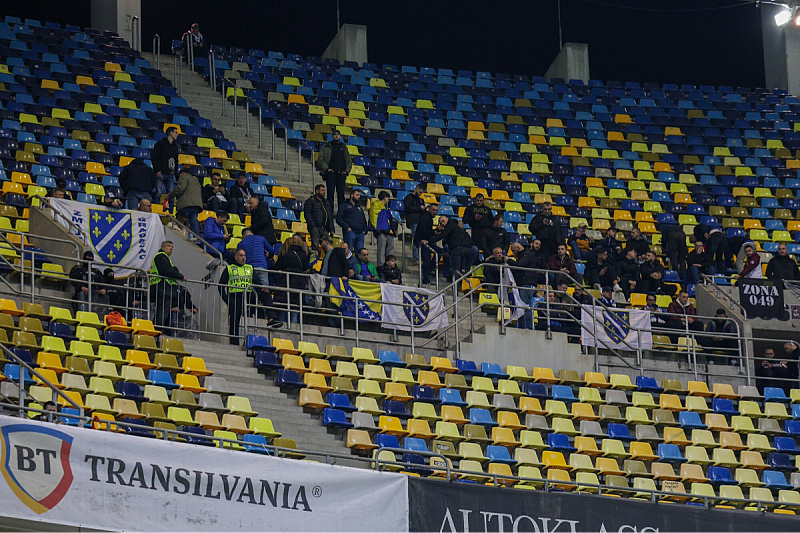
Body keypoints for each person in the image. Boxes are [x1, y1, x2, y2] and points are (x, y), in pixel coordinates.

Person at [219, 249, 282, 345]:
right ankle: (234, 344)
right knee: (234, 321)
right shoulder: (229, 268)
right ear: (236, 257)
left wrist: (262, 288)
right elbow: (220, 286)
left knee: (265, 292)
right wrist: (227, 300)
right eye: (241, 255)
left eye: (244, 255)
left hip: (248, 295)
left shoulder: (250, 268)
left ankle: (271, 319)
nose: (243, 257)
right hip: (235, 297)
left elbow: (257, 282)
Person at [149, 241, 187, 333]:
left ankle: (159, 329)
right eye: (169, 246)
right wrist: (180, 276)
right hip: (162, 287)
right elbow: (167, 270)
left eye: (172, 246)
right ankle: (157, 329)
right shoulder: (161, 257)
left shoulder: (163, 258)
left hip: (161, 286)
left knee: (163, 310)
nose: (171, 248)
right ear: (163, 248)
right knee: (163, 310)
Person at [273, 235, 309, 323]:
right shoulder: (303, 254)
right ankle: (294, 329)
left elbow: (277, 266)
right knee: (295, 308)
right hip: (298, 283)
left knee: (283, 307)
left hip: (285, 281)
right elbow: (305, 267)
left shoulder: (284, 252)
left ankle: (282, 329)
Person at [316, 130, 352, 210]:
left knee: (341, 194)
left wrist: (346, 171)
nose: (336, 136)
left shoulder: (344, 147)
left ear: (340, 136)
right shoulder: (326, 147)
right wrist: (327, 169)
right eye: (335, 134)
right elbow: (320, 160)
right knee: (330, 194)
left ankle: (341, 213)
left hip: (341, 174)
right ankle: (329, 212)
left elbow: (349, 161)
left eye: (338, 134)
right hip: (331, 174)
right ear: (332, 136)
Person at [167, 168, 203, 237]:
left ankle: (178, 235)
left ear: (182, 173)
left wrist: (169, 195)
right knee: (194, 221)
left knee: (180, 218)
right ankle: (197, 238)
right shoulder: (196, 180)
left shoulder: (184, 177)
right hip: (197, 204)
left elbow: (180, 188)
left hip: (186, 203)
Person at [151, 126, 179, 207]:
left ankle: (169, 211)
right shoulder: (160, 144)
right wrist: (157, 170)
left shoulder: (175, 146)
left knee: (171, 194)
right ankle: (156, 209)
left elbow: (176, 160)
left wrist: (175, 170)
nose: (177, 134)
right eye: (176, 132)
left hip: (170, 173)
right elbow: (155, 157)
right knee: (158, 192)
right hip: (161, 172)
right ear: (170, 133)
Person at [337, 190, 368, 256]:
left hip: (360, 234)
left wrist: (364, 230)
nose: (359, 197)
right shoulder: (344, 206)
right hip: (350, 233)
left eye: (359, 195)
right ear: (351, 195)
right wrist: (347, 228)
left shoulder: (359, 208)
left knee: (360, 255)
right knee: (348, 253)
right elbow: (338, 218)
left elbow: (364, 220)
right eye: (357, 195)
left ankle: (358, 266)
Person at [304, 184, 335, 252]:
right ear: (317, 191)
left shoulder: (326, 202)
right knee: (315, 245)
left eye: (324, 191)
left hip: (325, 228)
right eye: (322, 190)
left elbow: (330, 216)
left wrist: (331, 229)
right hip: (315, 228)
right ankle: (315, 260)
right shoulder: (310, 201)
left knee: (327, 246)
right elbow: (307, 214)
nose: (324, 192)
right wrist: (313, 225)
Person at [369, 190, 395, 266]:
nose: (388, 200)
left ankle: (390, 264)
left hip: (386, 230)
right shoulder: (376, 205)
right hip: (380, 231)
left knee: (390, 246)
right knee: (382, 248)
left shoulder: (386, 208)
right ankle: (381, 266)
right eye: (388, 198)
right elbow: (373, 218)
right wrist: (376, 229)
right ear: (384, 198)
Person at [415, 204, 439, 285]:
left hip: (427, 241)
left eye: (436, 210)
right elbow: (423, 230)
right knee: (427, 259)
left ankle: (429, 270)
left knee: (439, 252)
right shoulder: (425, 217)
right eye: (433, 210)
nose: (435, 212)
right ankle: (425, 278)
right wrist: (433, 232)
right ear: (429, 209)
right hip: (421, 241)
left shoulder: (428, 218)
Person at [403, 184, 425, 263]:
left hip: (420, 222)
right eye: (419, 192)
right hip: (413, 221)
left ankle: (421, 257)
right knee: (416, 239)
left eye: (421, 193)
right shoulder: (409, 198)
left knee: (421, 240)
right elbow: (408, 209)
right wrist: (419, 208)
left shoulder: (421, 200)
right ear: (416, 189)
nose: (420, 194)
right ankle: (416, 258)